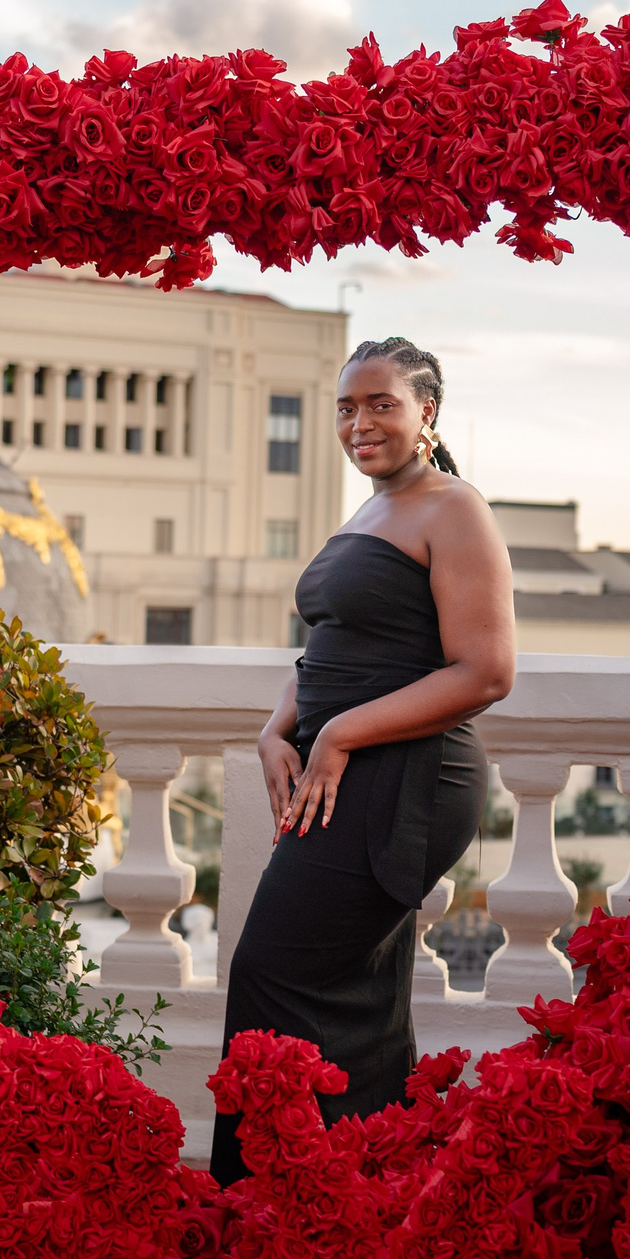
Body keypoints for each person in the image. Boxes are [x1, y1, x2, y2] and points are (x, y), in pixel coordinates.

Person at [208, 338, 515, 1185]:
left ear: (427, 414)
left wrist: (337, 735)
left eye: (382, 402)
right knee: (353, 993)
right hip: (354, 774)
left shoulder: (454, 508)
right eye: (346, 406)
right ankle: (370, 1196)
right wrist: (282, 728)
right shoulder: (373, 514)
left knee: (275, 972)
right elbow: (332, 650)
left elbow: (485, 670)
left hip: (410, 776)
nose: (360, 422)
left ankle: (275, 1197)